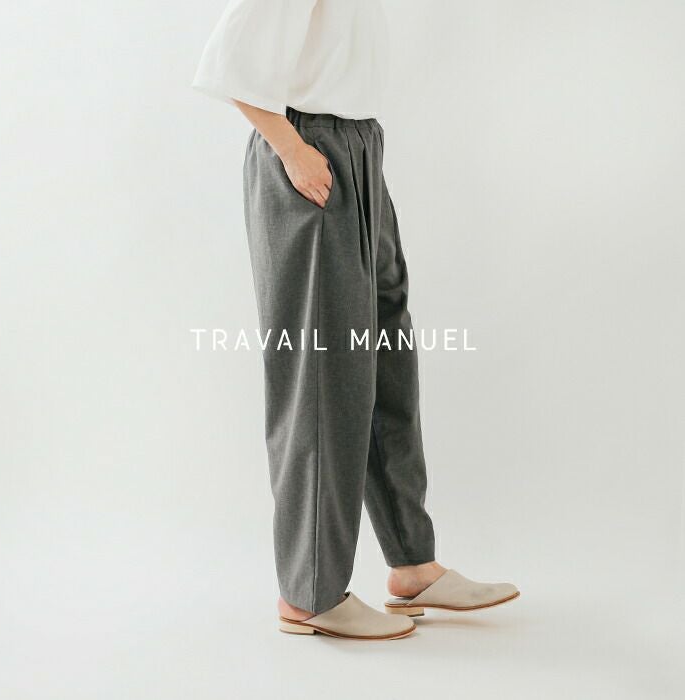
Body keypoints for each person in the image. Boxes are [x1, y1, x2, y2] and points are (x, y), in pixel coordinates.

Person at [193, 0, 518, 640]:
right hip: (309, 152)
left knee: (387, 362)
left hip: (360, 148)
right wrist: (293, 150)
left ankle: (413, 565)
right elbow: (230, 66)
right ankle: (309, 594)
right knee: (323, 374)